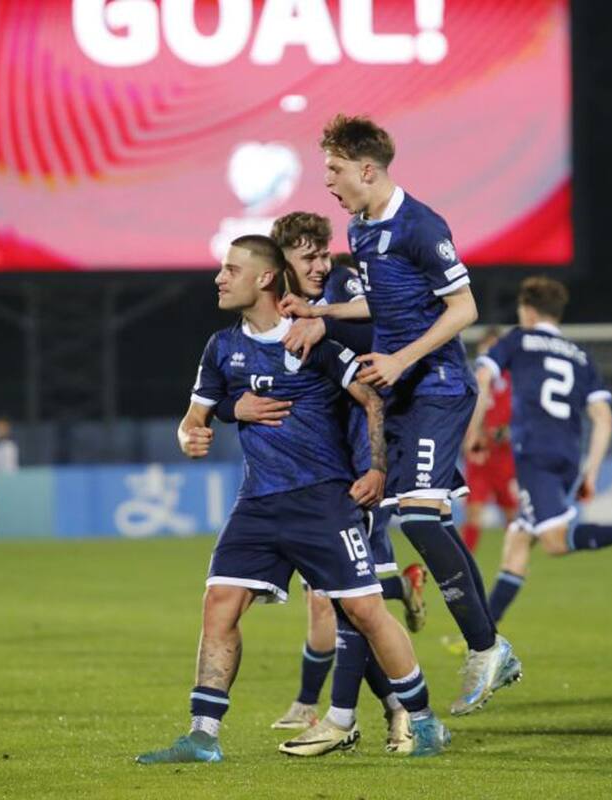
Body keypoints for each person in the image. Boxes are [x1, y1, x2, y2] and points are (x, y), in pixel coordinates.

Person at [135, 235, 451, 764]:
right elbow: (193, 420)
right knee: (219, 605)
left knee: (365, 610)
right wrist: (193, 434)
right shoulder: (220, 348)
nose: (219, 278)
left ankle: (422, 720)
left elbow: (371, 397)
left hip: (321, 500)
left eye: (230, 269)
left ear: (263, 278)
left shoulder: (310, 340)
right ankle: (203, 735)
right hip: (257, 501)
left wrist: (376, 468)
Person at [321, 113, 518, 716]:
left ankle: (487, 647)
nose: (327, 181)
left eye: (333, 169)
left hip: (436, 384)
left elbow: (463, 308)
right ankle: (489, 648)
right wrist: (320, 312)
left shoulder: (420, 224)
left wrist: (402, 359)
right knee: (424, 520)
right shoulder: (359, 229)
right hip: (405, 395)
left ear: (367, 168)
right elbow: (383, 305)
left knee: (418, 519)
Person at [213, 212, 425, 755]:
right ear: (278, 267)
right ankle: (347, 710)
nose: (321, 264)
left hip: (360, 469)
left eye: (322, 254)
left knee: (354, 601)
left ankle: (354, 715)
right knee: (336, 601)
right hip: (326, 476)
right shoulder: (281, 319)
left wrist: (325, 317)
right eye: (307, 257)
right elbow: (235, 383)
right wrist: (232, 407)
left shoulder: (341, 292)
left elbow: (389, 323)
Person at [467, 277, 612, 624]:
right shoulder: (581, 356)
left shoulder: (518, 340)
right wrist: (590, 472)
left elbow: (483, 379)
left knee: (554, 542)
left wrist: (473, 432)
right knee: (518, 542)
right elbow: (604, 418)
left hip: (533, 452)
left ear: (529, 312)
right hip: (567, 455)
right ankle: (481, 637)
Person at [462, 327, 520, 553]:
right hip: (479, 456)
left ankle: (515, 560)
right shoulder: (472, 379)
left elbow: (521, 419)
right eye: (485, 348)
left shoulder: (512, 380)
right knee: (474, 513)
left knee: (510, 514)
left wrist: (503, 433)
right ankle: (464, 563)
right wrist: (470, 436)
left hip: (504, 456)